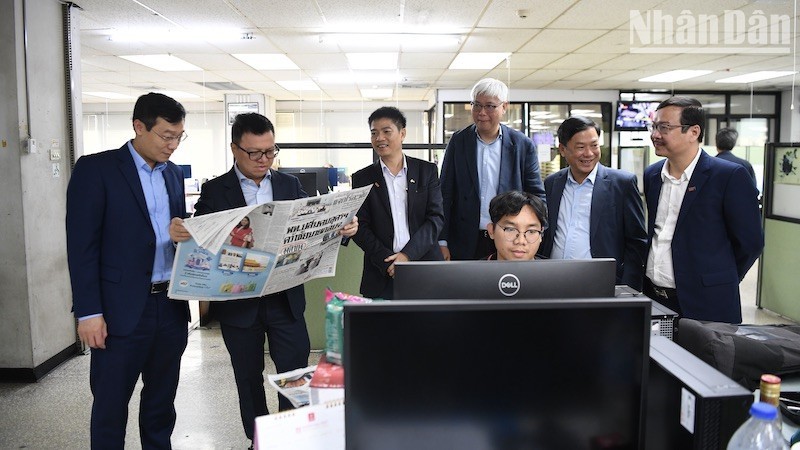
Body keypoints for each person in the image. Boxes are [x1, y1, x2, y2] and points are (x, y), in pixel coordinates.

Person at [170, 113, 357, 446]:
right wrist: (186, 234)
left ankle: (290, 440)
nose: (263, 160)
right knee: (248, 380)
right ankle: (259, 440)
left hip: (285, 300)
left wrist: (343, 229)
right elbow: (204, 241)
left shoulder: (288, 184)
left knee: (294, 377)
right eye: (254, 152)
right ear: (234, 149)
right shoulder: (215, 190)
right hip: (239, 304)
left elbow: (312, 227)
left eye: (270, 151)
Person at [66, 92, 190, 449]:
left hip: (169, 305)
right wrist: (89, 312)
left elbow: (168, 234)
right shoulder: (96, 169)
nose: (173, 145)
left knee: (161, 405)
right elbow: (82, 248)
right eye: (166, 135)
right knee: (110, 407)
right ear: (138, 126)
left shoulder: (173, 175)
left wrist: (185, 234)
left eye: (179, 136)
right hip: (119, 312)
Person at [643, 96, 763, 323]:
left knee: (706, 359)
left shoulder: (728, 176)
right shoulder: (652, 175)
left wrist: (719, 278)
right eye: (655, 126)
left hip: (707, 302)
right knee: (655, 358)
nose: (655, 135)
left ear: (694, 132)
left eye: (665, 127)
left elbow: (750, 243)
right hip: (655, 298)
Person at [439, 77, 546, 261]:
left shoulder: (522, 145)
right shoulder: (459, 142)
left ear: (504, 107)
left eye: (490, 106)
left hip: (509, 238)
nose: (481, 112)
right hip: (464, 238)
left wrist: (534, 235)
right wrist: (442, 241)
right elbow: (444, 193)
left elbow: (536, 195)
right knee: (467, 288)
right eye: (476, 105)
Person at [539, 116, 648, 290]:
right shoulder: (552, 183)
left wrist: (629, 287)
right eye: (580, 147)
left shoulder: (622, 184)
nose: (589, 153)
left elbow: (637, 241)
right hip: (553, 279)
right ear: (562, 149)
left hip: (602, 282)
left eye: (594, 145)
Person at [350, 106, 444, 299]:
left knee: (429, 327)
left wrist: (407, 256)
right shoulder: (362, 178)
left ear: (402, 134)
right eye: (374, 133)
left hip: (424, 267)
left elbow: (435, 219)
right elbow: (361, 227)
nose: (379, 138)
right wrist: (388, 262)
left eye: (386, 131)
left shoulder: (426, 171)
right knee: (384, 328)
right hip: (381, 271)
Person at [485, 190, 548, 261]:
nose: (521, 241)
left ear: (541, 235)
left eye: (531, 231)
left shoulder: (554, 272)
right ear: (491, 231)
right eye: (510, 229)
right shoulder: (474, 271)